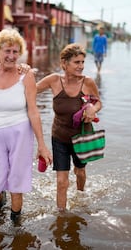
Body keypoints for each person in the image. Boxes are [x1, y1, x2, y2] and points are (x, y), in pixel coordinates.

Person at [0, 28, 53, 224]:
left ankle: (15, 224)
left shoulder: (26, 75)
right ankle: (0, 204)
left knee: (17, 181)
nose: (11, 56)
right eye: (7, 51)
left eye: (15, 52)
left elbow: (33, 111)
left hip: (20, 133)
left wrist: (42, 144)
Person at [36, 43, 102, 212]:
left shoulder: (87, 82)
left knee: (80, 172)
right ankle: (61, 215)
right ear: (64, 63)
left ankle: (80, 196)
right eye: (76, 62)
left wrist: (93, 109)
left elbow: (99, 102)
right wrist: (23, 72)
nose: (80, 66)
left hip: (81, 138)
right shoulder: (53, 80)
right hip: (59, 137)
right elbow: (30, 90)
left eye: (82, 62)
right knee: (61, 181)